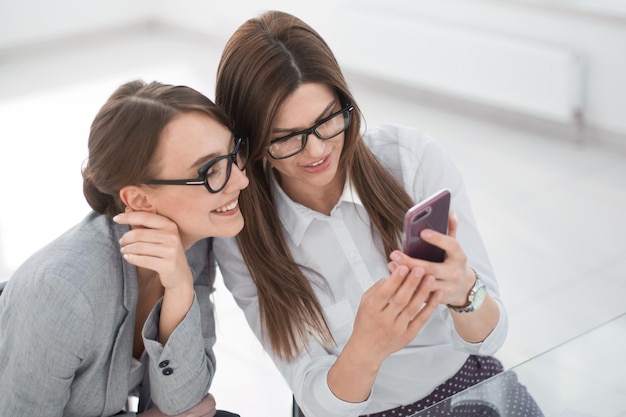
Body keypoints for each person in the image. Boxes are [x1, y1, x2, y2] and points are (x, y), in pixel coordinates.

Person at [213, 10, 543, 417]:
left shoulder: (411, 160)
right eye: (285, 139)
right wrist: (366, 349)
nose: (316, 151)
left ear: (345, 102)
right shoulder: (241, 234)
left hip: (463, 385)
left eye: (327, 120)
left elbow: (489, 341)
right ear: (251, 143)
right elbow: (316, 399)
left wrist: (464, 291)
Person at [0, 80, 248, 417]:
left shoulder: (194, 244)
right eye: (210, 171)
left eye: (234, 155)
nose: (241, 181)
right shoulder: (62, 292)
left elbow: (185, 401)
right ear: (140, 200)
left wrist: (180, 286)